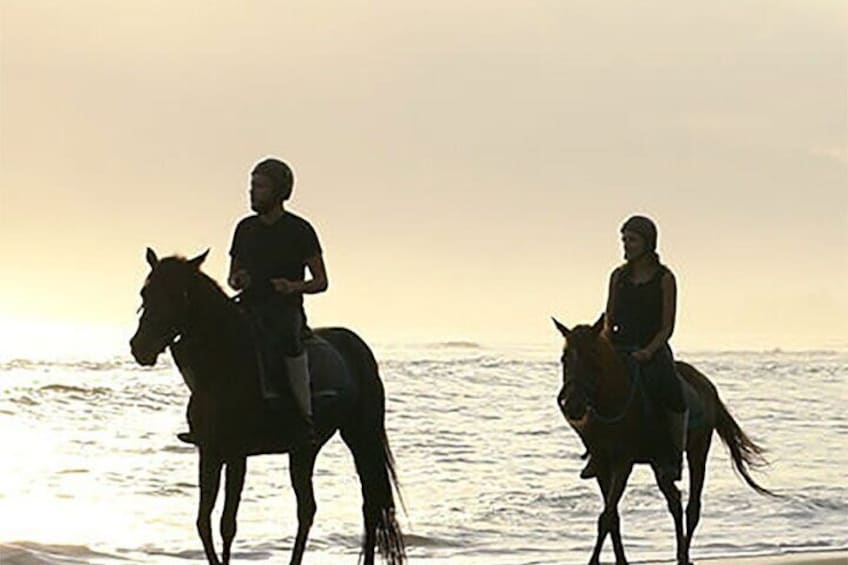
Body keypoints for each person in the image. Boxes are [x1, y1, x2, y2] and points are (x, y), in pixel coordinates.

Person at [226, 157, 328, 447]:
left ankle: (303, 414)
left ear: (279, 191)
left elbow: (321, 281)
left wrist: (292, 286)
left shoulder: (299, 230)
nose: (252, 192)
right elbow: (232, 276)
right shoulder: (244, 228)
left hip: (284, 309)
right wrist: (238, 280)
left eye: (260, 186)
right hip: (249, 306)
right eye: (251, 186)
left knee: (287, 339)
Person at [582, 215, 687, 481]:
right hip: (620, 346)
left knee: (672, 393)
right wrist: (604, 346)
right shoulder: (618, 276)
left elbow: (667, 326)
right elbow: (610, 317)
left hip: (652, 349)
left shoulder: (665, 278)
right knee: (589, 387)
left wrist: (649, 351)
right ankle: (595, 452)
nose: (626, 245)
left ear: (648, 243)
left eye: (632, 240)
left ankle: (671, 457)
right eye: (624, 240)